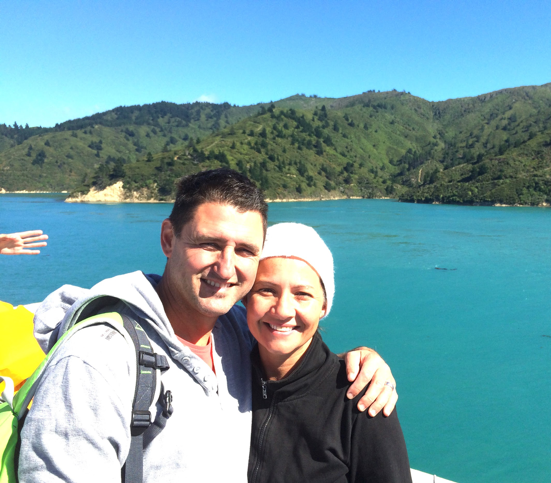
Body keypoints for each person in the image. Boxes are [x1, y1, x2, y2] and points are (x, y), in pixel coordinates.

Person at [19, 169, 398, 482]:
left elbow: (291, 344)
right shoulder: (97, 360)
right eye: (210, 244)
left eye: (246, 251)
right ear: (169, 238)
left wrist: (363, 360)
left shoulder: (235, 331)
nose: (226, 267)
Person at [245, 223, 411, 483]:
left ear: (323, 306)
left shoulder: (360, 397)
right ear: (246, 297)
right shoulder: (223, 371)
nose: (283, 310)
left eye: (302, 294)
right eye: (267, 290)